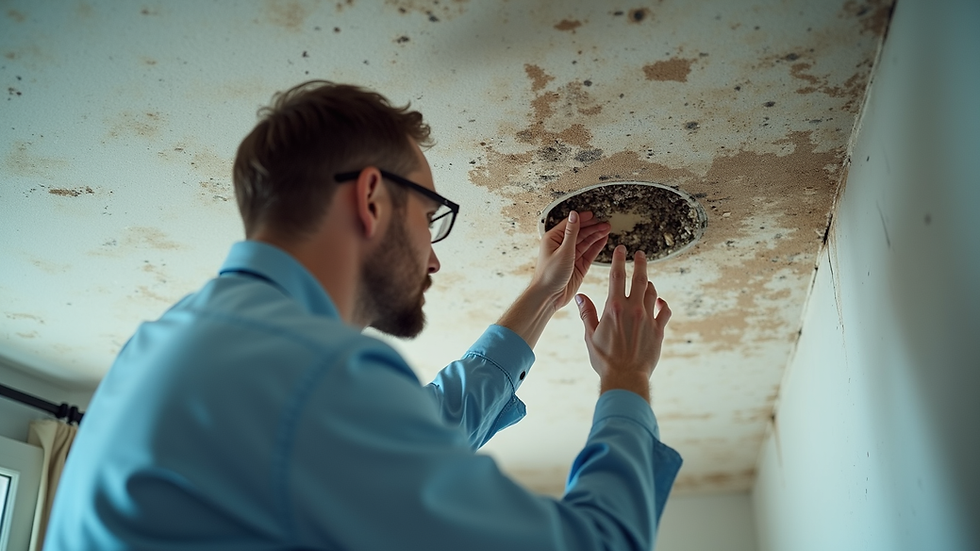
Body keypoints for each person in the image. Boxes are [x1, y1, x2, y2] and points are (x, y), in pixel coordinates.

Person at [43, 81, 681, 550]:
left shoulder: (175, 343)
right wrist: (627, 378)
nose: (434, 259)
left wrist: (543, 295)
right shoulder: (307, 374)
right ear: (372, 197)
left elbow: (424, 432)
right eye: (430, 220)